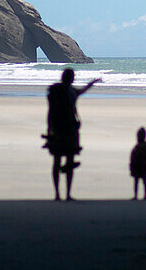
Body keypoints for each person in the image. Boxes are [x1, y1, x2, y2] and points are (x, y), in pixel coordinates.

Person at [43, 68, 102, 201]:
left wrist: (49, 129)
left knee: (57, 161)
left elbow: (50, 111)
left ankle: (58, 194)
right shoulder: (69, 91)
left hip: (58, 129)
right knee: (68, 160)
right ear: (70, 78)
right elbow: (81, 91)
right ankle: (67, 193)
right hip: (68, 130)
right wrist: (92, 83)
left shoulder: (54, 90)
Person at [129, 127, 146, 200]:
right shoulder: (145, 146)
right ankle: (141, 195)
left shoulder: (143, 147)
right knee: (140, 181)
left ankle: (140, 195)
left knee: (140, 181)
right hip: (140, 166)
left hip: (142, 166)